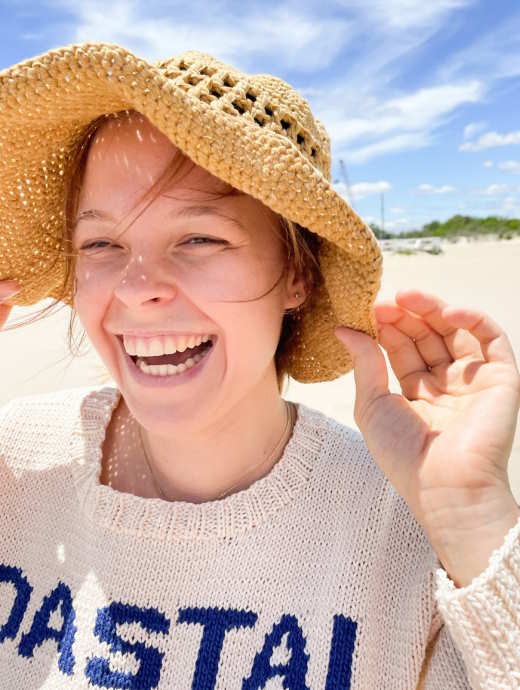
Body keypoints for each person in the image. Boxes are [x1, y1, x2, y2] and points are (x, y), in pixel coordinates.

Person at [0, 43, 519, 689]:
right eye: (102, 243)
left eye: (198, 237)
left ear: (297, 274)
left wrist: (473, 517)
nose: (137, 288)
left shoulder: (407, 527)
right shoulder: (15, 462)